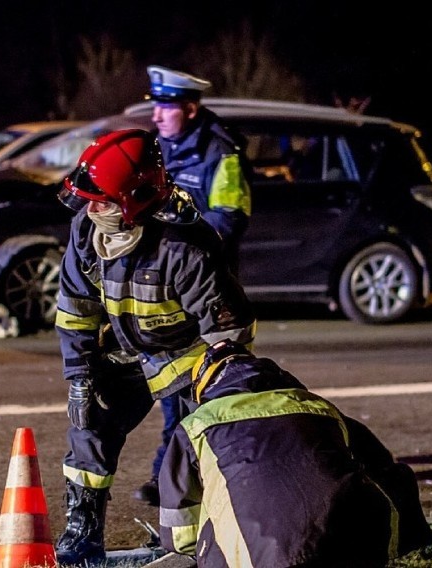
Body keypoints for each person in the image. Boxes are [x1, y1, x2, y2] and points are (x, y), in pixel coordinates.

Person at [53, 128, 257, 565]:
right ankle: (82, 532)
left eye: (102, 200)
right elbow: (75, 313)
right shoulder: (87, 232)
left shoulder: (185, 247)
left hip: (190, 360)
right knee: (90, 429)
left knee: (192, 451)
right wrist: (79, 379)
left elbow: (229, 330)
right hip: (126, 353)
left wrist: (218, 397)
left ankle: (190, 546)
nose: (92, 209)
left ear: (136, 198)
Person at [158, 339, 432, 568]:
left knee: (215, 516)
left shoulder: (196, 425)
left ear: (205, 388)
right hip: (352, 548)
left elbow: (180, 535)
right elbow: (386, 468)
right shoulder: (319, 407)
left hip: (261, 559)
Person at [133, 65, 254, 508]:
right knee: (176, 390)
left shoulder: (221, 153)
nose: (157, 115)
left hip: (206, 292)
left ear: (189, 107)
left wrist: (182, 250)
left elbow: (229, 219)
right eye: (155, 105)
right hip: (164, 290)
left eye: (165, 106)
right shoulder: (159, 149)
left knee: (200, 388)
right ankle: (185, 475)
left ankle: (177, 479)